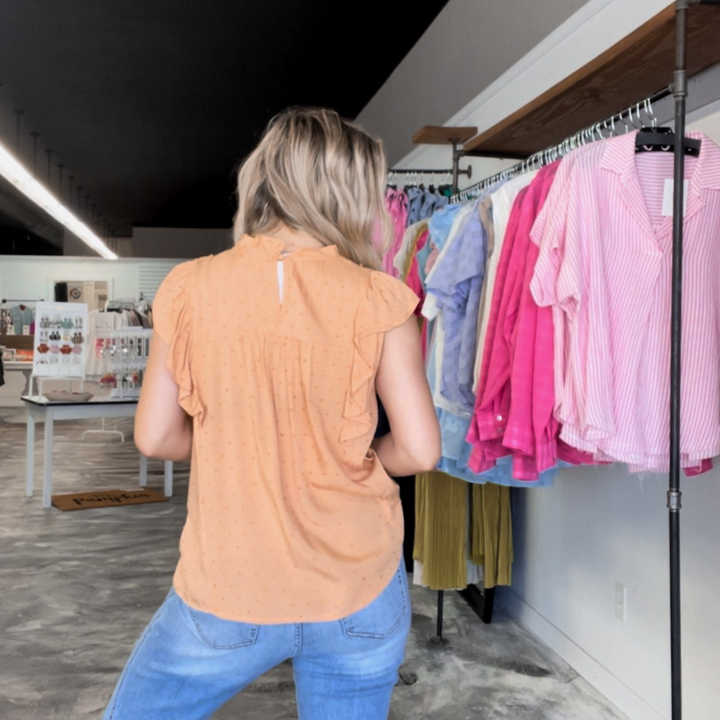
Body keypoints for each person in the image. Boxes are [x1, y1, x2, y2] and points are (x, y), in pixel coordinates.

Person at [103, 107, 441, 720]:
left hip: (230, 585)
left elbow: (154, 436)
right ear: (351, 191)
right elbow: (419, 451)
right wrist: (362, 459)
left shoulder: (187, 288)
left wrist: (232, 438)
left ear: (265, 178)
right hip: (358, 589)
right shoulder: (384, 299)